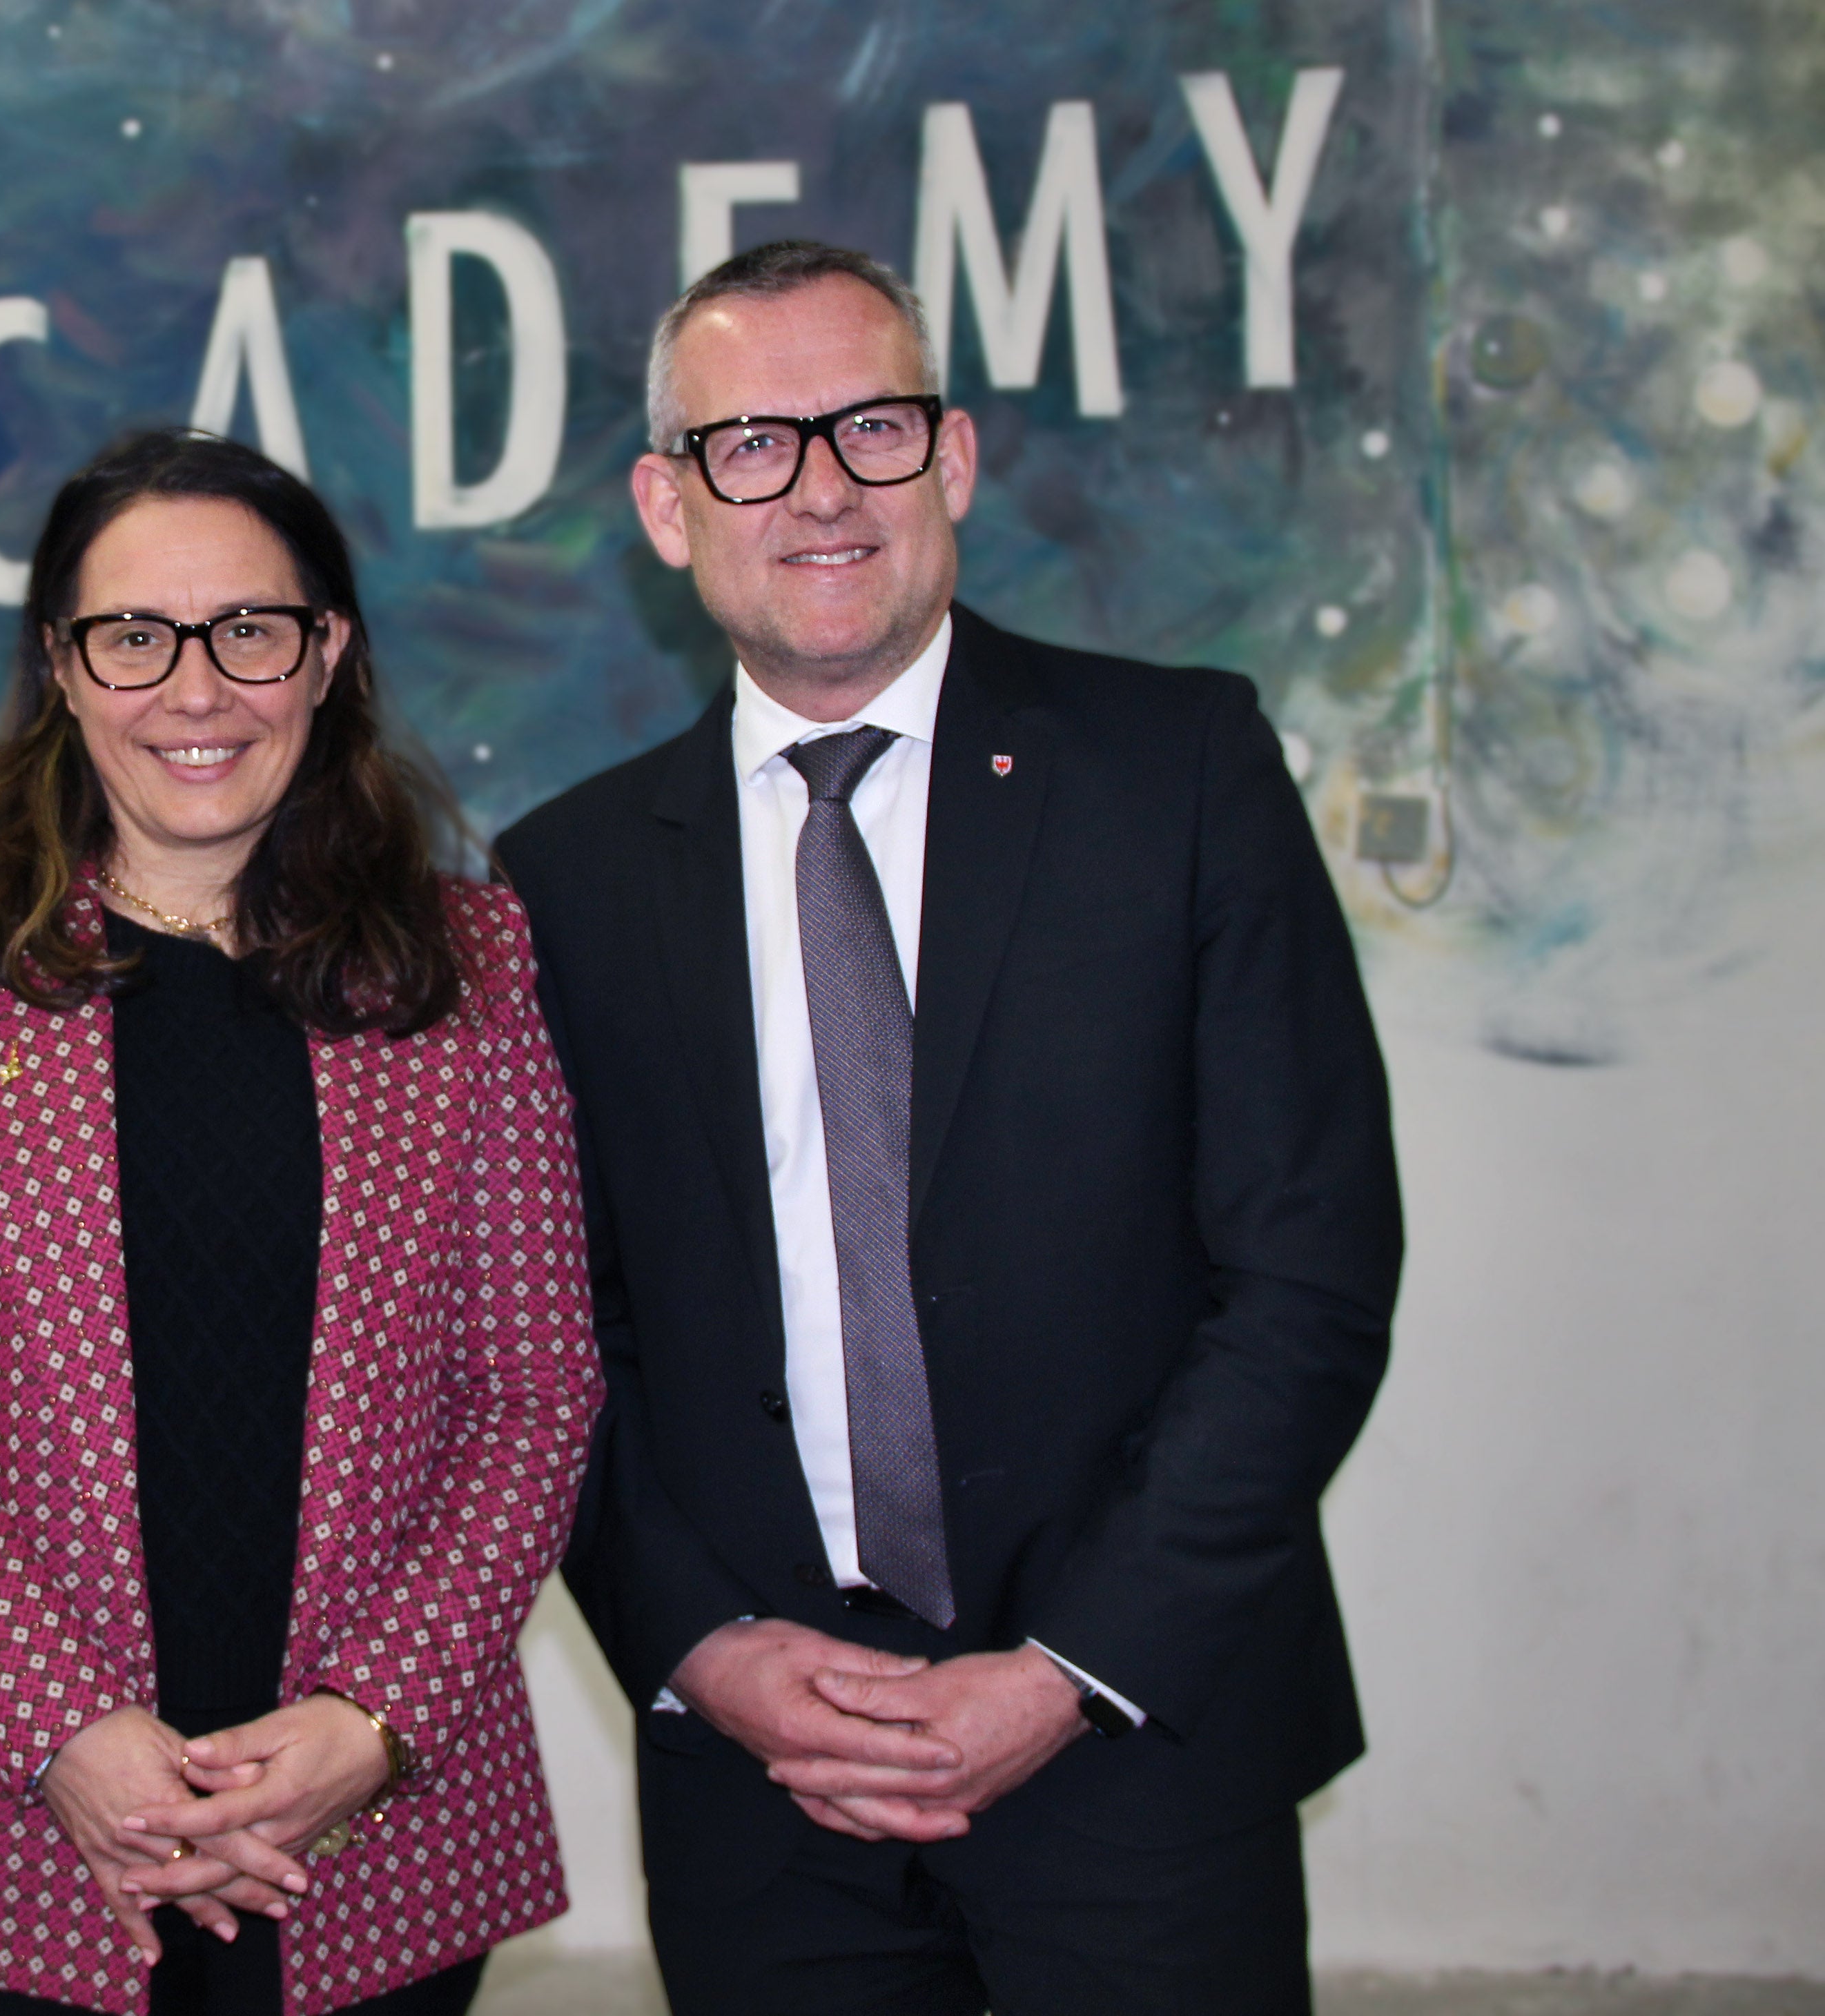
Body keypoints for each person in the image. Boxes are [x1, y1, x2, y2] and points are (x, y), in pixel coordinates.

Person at [496, 241, 1404, 2011]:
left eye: (874, 430)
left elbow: (1308, 1274)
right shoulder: (565, 883)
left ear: (956, 461)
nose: (822, 489)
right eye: (753, 443)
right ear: (667, 508)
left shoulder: (1183, 775)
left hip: (1138, 1740)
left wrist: (1069, 1665)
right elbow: (550, 1341)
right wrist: (701, 1647)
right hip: (768, 1786)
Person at [0, 427, 600, 2016]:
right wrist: (62, 1728)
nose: (193, 690)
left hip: (369, 1815)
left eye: (250, 632)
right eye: (133, 635)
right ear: (62, 668)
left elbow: (533, 1394)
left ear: (327, 653)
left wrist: (375, 1720)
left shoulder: (466, 966)